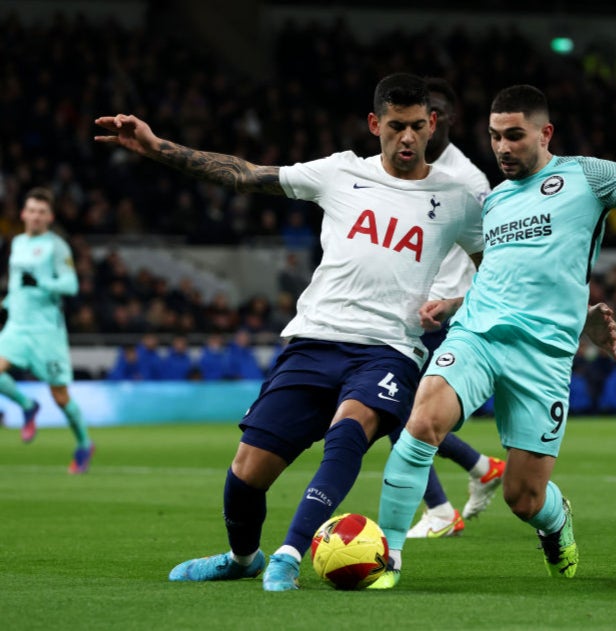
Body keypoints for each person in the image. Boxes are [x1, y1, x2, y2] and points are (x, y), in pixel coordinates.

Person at [94, 73, 486, 592]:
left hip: (390, 349)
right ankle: (243, 558)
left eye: (418, 126)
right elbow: (244, 175)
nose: (408, 138)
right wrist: (156, 146)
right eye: (396, 126)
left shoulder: (458, 198)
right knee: (246, 471)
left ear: (432, 123)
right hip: (314, 339)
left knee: (350, 432)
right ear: (375, 125)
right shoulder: (339, 172)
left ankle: (289, 553)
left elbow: (499, 272)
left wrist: (459, 302)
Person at [372, 84, 616, 589]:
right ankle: (386, 556)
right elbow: (503, 273)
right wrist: (457, 305)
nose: (502, 147)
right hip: (479, 335)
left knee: (524, 498)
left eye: (515, 136)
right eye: (496, 136)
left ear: (545, 133)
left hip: (543, 356)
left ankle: (556, 521)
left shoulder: (589, 175)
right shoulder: (495, 201)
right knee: (423, 422)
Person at [401, 78, 505, 540]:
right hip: (411, 306)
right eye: (427, 113)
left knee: (400, 409)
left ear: (446, 120)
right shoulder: (409, 169)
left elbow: (490, 252)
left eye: (438, 114)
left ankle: (443, 509)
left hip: (441, 312)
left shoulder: (466, 180)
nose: (430, 123)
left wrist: (458, 304)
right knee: (401, 409)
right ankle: (480, 468)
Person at [0, 187, 94, 473]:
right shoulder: (16, 242)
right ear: (23, 214)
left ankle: (83, 444)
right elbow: (17, 280)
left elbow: (71, 285)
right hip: (16, 325)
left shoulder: (57, 246)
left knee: (60, 396)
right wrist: (8, 299)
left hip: (46, 332)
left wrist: (42, 282)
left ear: (50, 216)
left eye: (42, 212)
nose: (36, 216)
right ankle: (28, 405)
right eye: (32, 210)